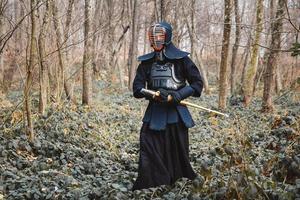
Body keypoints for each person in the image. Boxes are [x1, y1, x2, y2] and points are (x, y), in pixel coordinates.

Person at [132, 21, 203, 190]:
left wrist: (177, 95)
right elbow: (137, 89)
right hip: (154, 114)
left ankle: (176, 182)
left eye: (159, 36)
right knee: (149, 146)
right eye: (153, 36)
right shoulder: (146, 63)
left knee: (176, 150)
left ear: (167, 37)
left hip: (176, 114)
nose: (155, 39)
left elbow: (197, 84)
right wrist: (154, 94)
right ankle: (153, 182)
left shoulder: (183, 60)